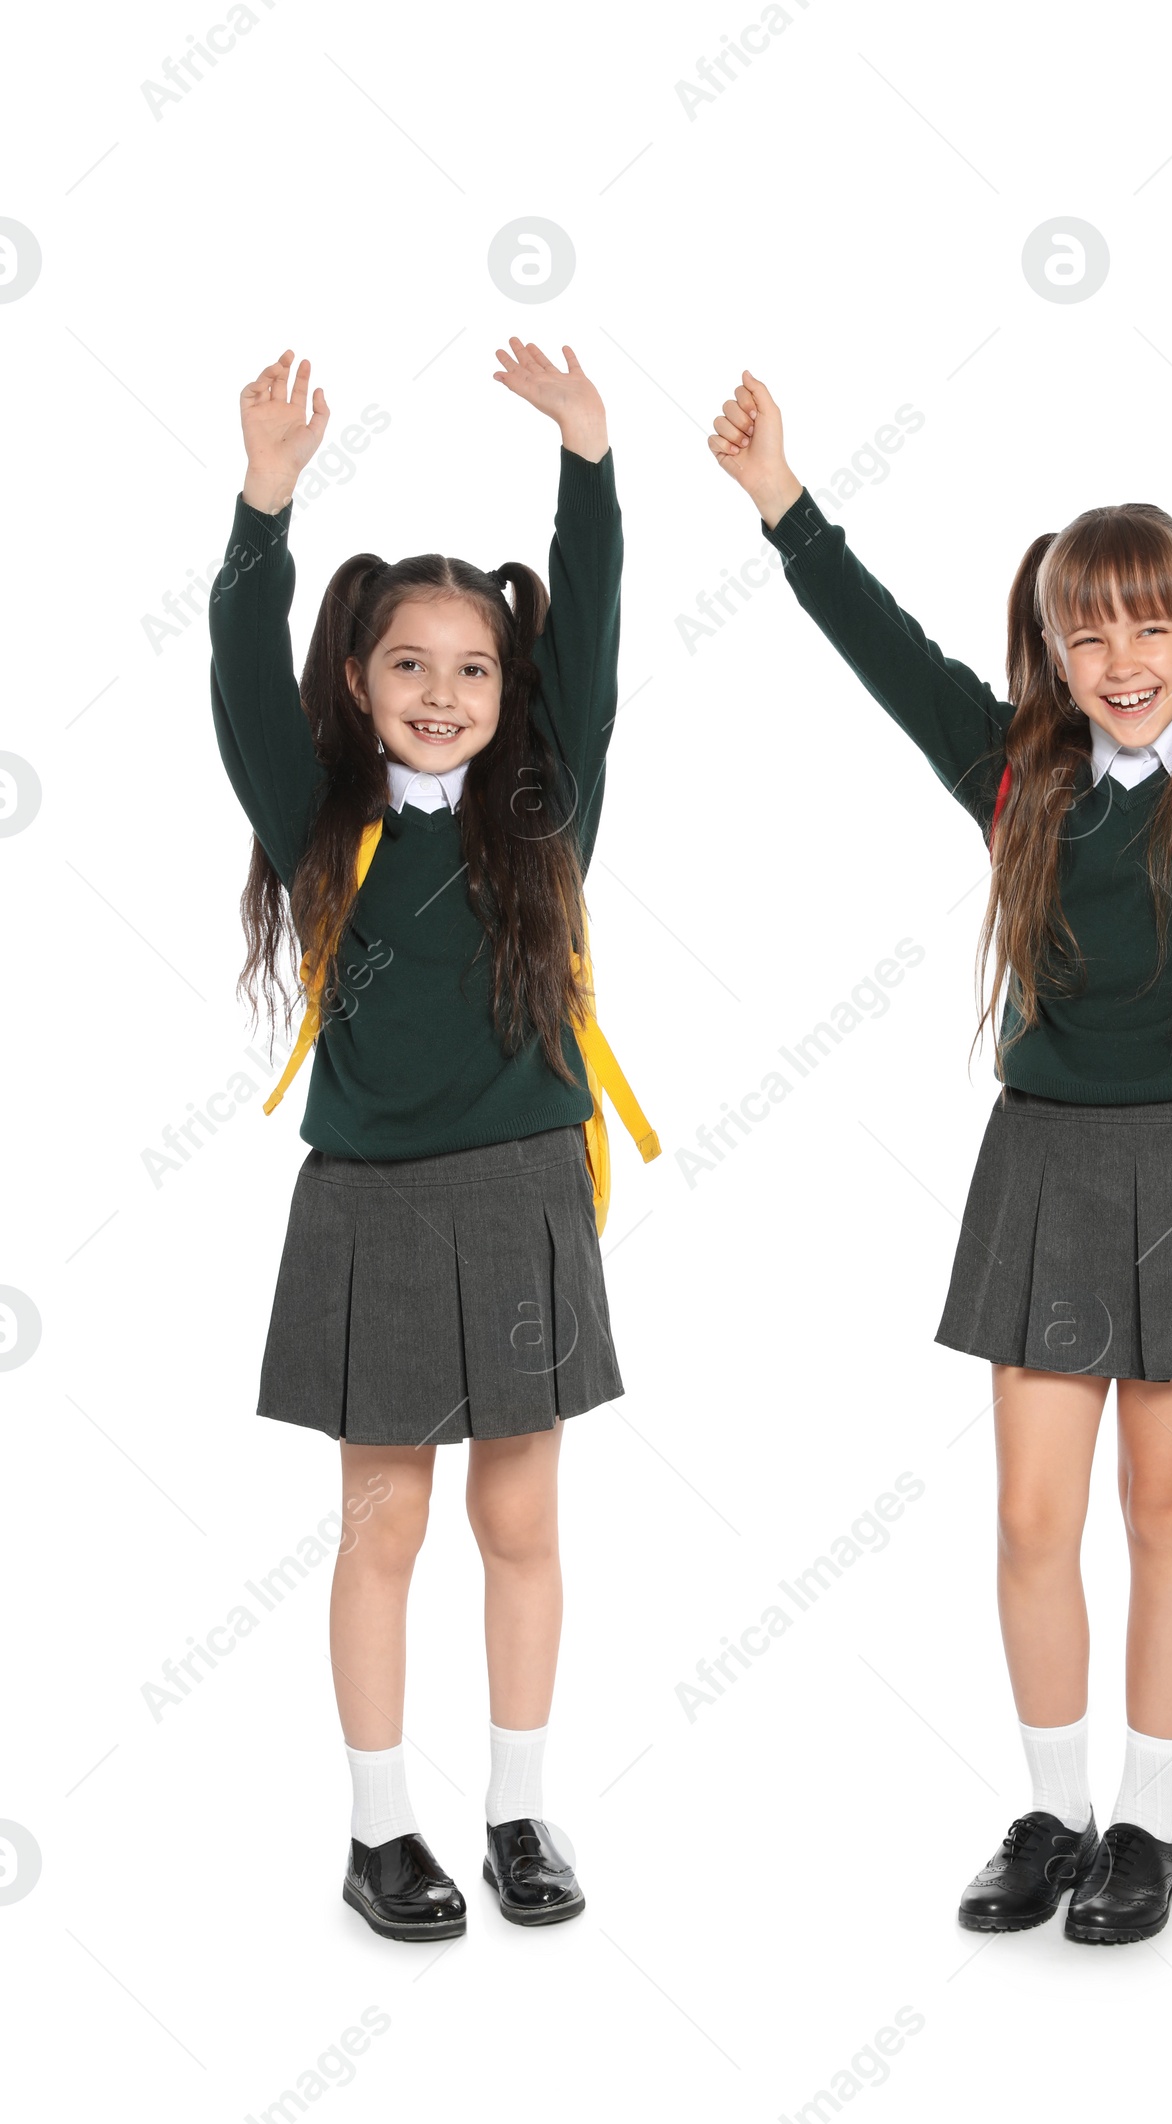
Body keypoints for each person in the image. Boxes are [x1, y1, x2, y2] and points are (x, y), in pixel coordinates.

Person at [706, 349, 1172, 1945]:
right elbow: (885, 652)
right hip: (1047, 1164)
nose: (1122, 657)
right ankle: (1054, 1814)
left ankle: (1153, 1831)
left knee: (1166, 1511)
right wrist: (786, 502)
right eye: (1087, 628)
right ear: (1051, 647)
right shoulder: (1018, 777)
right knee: (1035, 1517)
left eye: (1152, 623)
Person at [210, 340, 627, 1939]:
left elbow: (585, 634)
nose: (444, 693)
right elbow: (242, 660)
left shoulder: (549, 807)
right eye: (409, 665)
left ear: (509, 696)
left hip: (525, 1196)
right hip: (370, 1208)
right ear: (360, 682)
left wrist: (589, 458)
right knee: (381, 1529)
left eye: (473, 668)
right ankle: (382, 1832)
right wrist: (266, 499)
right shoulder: (313, 816)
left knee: (520, 1522)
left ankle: (520, 1807)